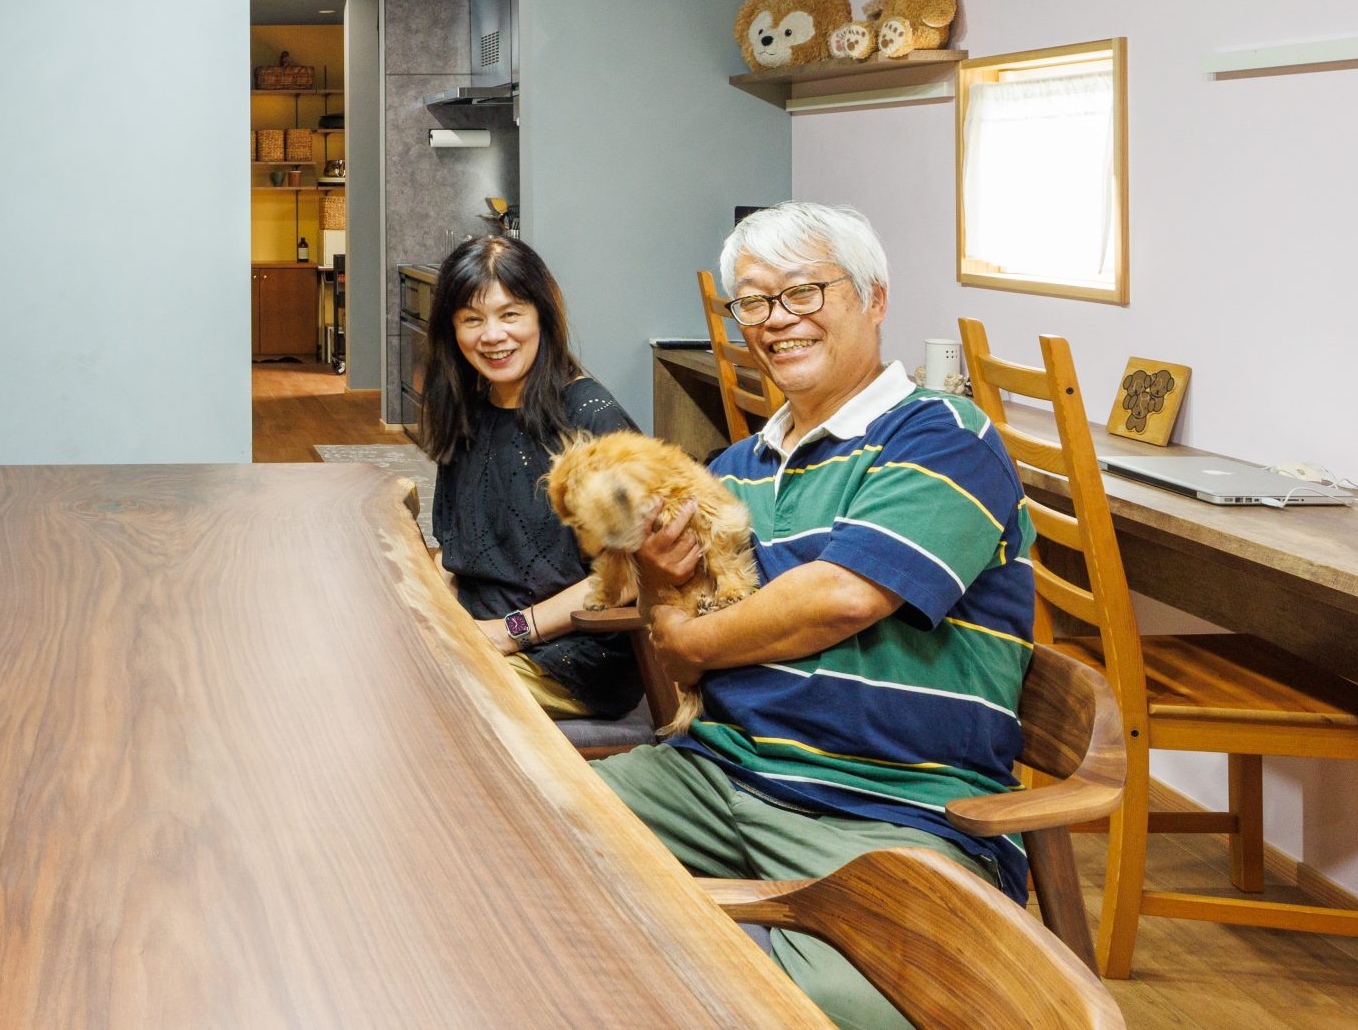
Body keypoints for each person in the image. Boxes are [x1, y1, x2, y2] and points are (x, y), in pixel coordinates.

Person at [594, 201, 1035, 1030]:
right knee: (516, 840)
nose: (776, 318)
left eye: (803, 291)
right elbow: (674, 660)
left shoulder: (945, 434)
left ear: (875, 298)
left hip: (888, 806)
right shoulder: (733, 468)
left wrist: (688, 633)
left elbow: (843, 596)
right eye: (753, 301)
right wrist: (656, 587)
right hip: (715, 777)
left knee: (855, 1008)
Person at [417, 235, 644, 721]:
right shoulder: (469, 411)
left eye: (510, 314)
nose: (492, 335)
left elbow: (627, 576)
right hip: (481, 633)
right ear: (452, 330)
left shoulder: (590, 418)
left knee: (418, 700)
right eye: (472, 319)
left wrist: (509, 632)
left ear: (542, 315)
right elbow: (459, 553)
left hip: (571, 660)